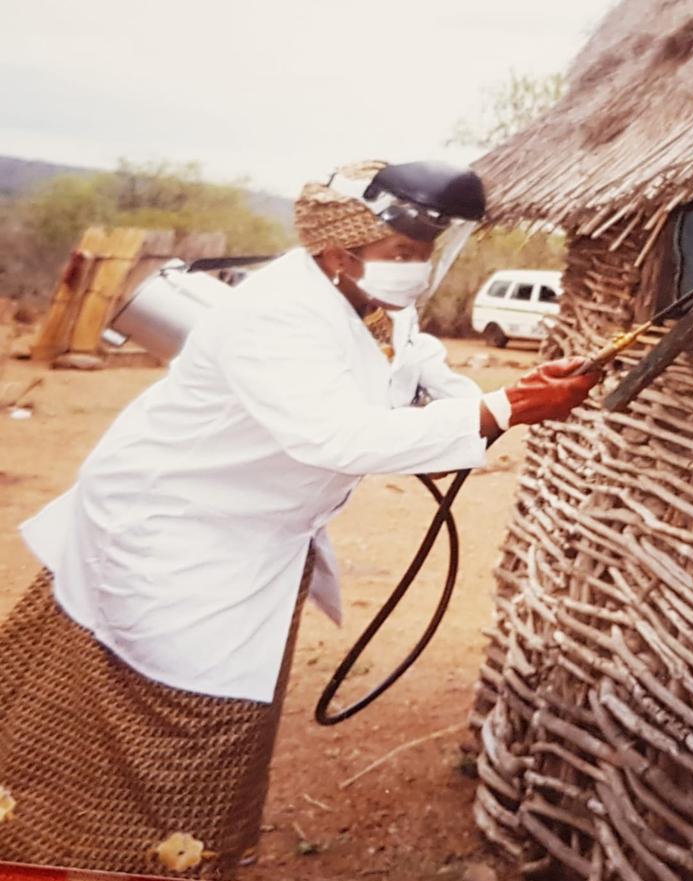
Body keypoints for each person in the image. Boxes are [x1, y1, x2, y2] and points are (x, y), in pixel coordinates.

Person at [0, 160, 599, 879]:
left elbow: (428, 372)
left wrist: (500, 397)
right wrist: (502, 411)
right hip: (166, 544)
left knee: (197, 738)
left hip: (242, 551)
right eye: (402, 255)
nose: (415, 270)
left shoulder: (374, 302)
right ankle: (71, 859)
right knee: (147, 733)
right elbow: (336, 436)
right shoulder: (275, 314)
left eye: (424, 254)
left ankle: (132, 858)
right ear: (339, 253)